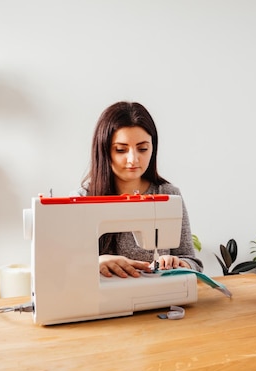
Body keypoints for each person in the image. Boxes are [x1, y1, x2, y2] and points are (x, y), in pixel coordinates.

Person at [77, 101, 203, 278]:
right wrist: (95, 262)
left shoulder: (168, 194)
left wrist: (179, 263)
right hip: (103, 302)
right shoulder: (82, 199)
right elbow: (68, 267)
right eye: (121, 150)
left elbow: (192, 262)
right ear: (104, 151)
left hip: (158, 300)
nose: (133, 159)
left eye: (142, 149)